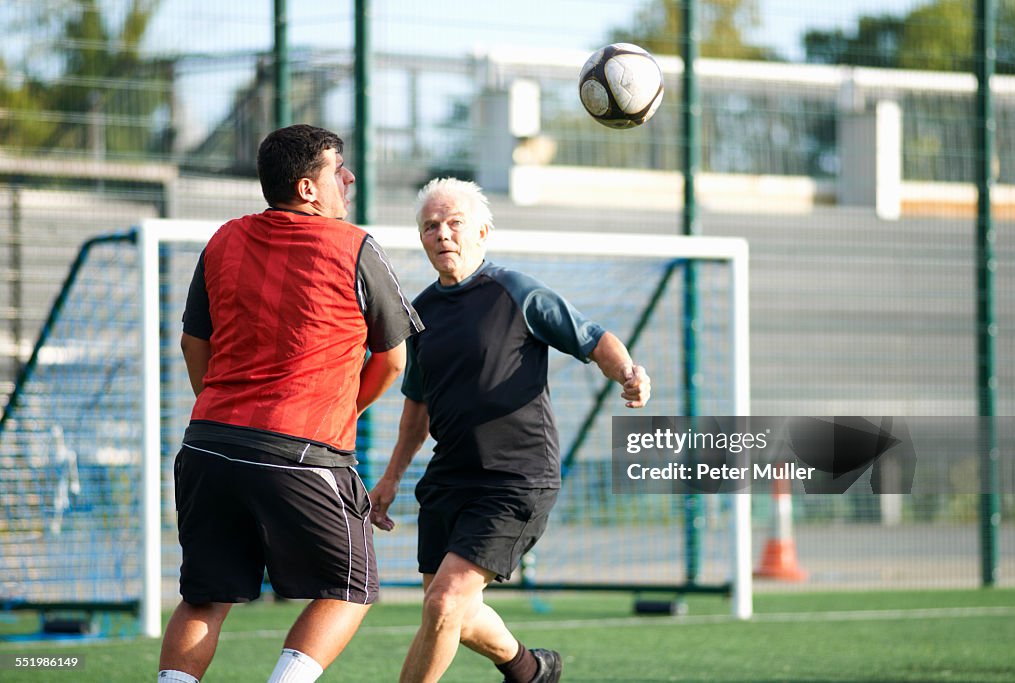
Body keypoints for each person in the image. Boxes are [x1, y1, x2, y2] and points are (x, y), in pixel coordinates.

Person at [158, 124, 423, 683]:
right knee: (350, 588)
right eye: (338, 169)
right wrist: (344, 411)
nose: (348, 177)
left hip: (207, 443)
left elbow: (191, 342)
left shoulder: (224, 238)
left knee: (205, 597)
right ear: (308, 188)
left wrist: (221, 409)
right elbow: (394, 360)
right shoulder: (354, 245)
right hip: (301, 450)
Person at [369, 178, 651, 683]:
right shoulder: (421, 313)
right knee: (456, 609)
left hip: (515, 478)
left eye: (454, 223)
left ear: (482, 231)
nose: (443, 234)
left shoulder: (516, 292)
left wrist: (629, 373)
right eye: (430, 226)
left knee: (445, 602)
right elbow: (417, 407)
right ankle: (530, 670)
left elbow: (592, 338)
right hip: (449, 478)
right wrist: (390, 479)